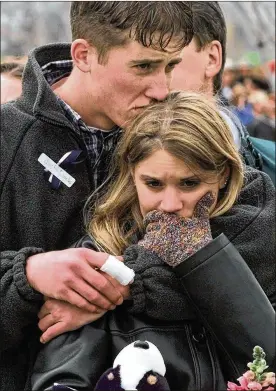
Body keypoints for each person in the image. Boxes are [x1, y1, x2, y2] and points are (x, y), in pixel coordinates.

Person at [0, 2, 195, 391]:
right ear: (84, 55)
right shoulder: (6, 140)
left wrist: (126, 282)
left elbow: (252, 243)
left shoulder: (183, 130)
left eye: (170, 66)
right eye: (143, 67)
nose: (162, 90)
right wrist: (26, 276)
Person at [31, 92, 275, 391]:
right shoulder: (100, 254)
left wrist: (201, 258)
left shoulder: (263, 240)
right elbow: (62, 376)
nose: (170, 203)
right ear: (132, 175)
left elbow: (266, 357)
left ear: (222, 175)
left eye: (190, 183)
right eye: (153, 184)